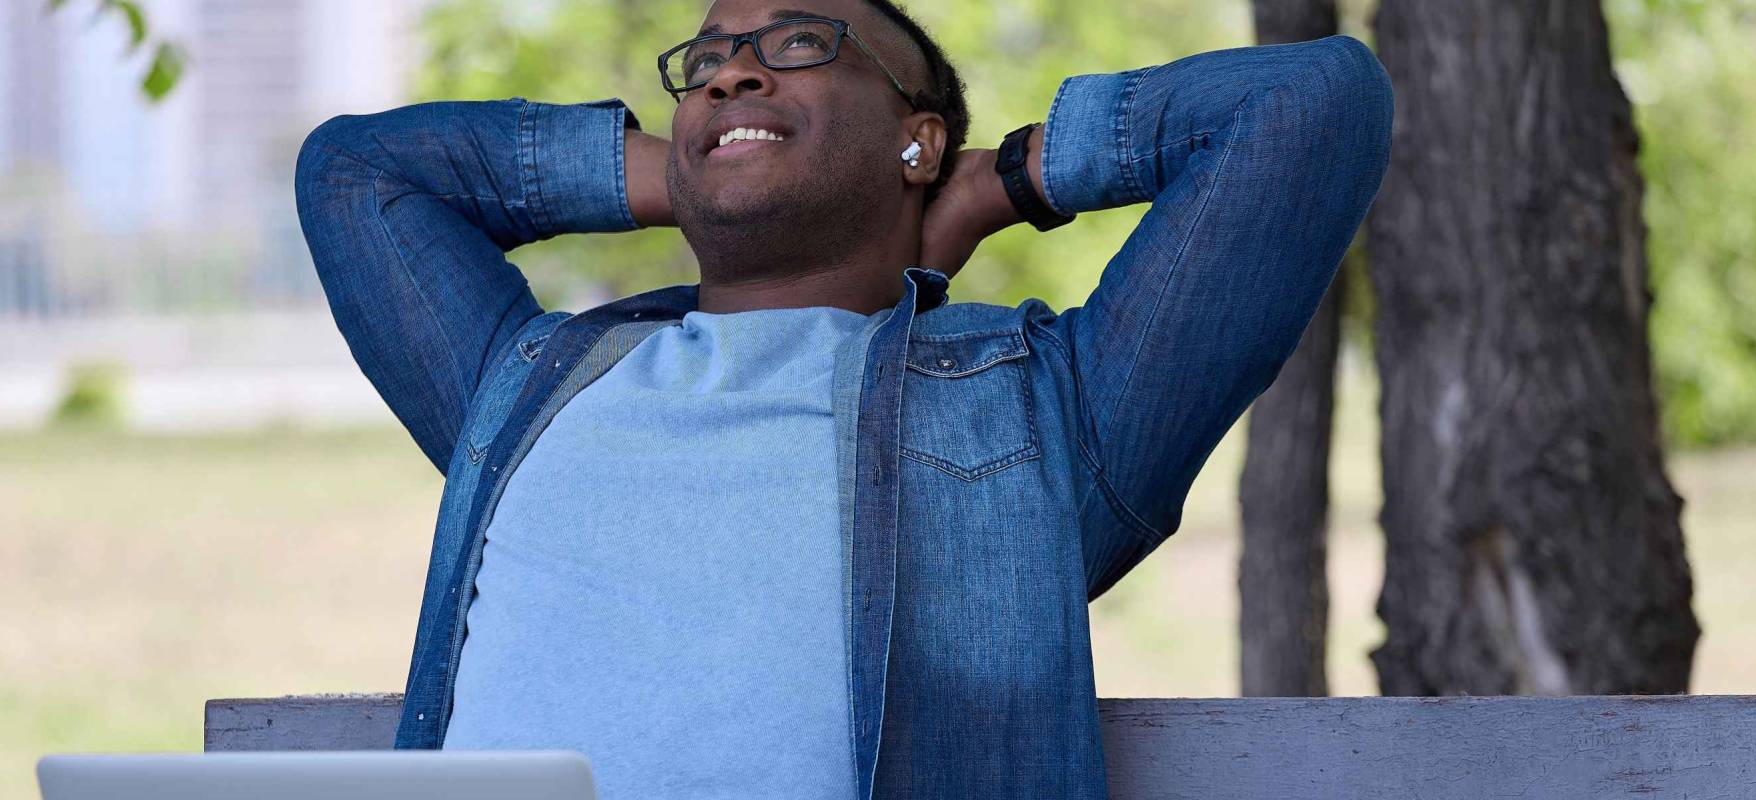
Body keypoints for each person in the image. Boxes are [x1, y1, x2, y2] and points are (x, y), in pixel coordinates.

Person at [294, 0, 1391, 796]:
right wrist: (692, 167)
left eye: (799, 45)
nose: (730, 74)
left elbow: (1310, 103)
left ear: (917, 136)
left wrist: (1005, 180)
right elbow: (355, 173)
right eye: (711, 62)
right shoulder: (527, 387)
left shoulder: (1045, 415)